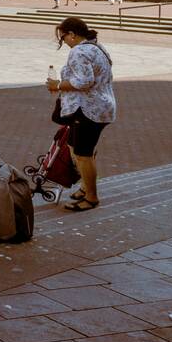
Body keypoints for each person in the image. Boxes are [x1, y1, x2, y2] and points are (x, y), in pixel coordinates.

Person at [48, 16, 116, 211]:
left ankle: (92, 197)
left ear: (72, 34)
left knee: (83, 153)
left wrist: (57, 85)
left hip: (88, 109)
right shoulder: (97, 47)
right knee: (75, 147)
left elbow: (84, 81)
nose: (64, 42)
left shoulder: (79, 51)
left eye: (63, 38)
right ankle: (85, 187)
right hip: (102, 106)